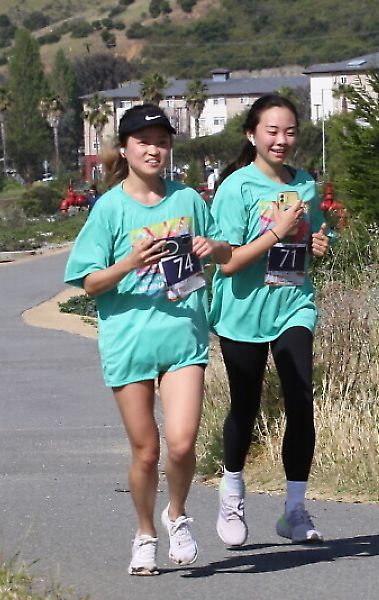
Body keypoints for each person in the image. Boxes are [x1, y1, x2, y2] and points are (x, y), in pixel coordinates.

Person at [64, 103, 231, 575]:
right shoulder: (110, 208)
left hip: (183, 337)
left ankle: (177, 515)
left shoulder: (188, 200)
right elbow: (89, 282)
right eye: (143, 142)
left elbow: (225, 251)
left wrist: (213, 247)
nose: (153, 150)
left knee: (181, 443)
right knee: (146, 450)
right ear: (125, 149)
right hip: (129, 340)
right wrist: (130, 263)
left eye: (161, 141)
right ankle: (144, 533)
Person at [209, 94, 331, 547]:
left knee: (300, 400)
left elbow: (319, 231)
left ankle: (294, 510)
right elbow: (227, 262)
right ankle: (231, 494)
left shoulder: (305, 185)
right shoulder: (236, 188)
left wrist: (321, 242)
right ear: (252, 134)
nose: (282, 140)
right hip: (243, 310)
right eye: (272, 131)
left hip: (292, 303)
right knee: (245, 407)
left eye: (290, 132)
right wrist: (276, 231)